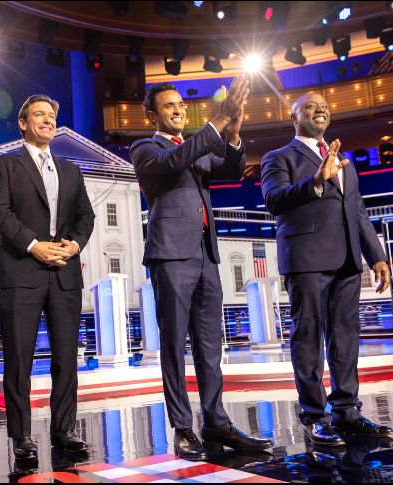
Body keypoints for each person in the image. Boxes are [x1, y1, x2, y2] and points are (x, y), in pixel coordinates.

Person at [129, 75, 273, 461]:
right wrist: (217, 123)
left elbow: (227, 169)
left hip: (206, 256)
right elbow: (175, 162)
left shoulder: (195, 146)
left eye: (180, 105)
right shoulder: (146, 148)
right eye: (168, 106)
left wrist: (235, 134)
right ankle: (181, 427)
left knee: (211, 346)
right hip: (171, 255)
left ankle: (216, 421)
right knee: (174, 346)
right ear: (151, 116)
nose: (177, 110)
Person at [260, 92, 393, 446]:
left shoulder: (344, 160)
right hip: (306, 261)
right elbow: (274, 201)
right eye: (311, 106)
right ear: (294, 117)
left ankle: (347, 412)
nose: (321, 109)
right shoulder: (278, 157)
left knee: (346, 338)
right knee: (308, 338)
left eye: (326, 106)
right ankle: (314, 416)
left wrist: (376, 255)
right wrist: (317, 180)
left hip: (348, 260)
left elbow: (358, 211)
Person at [0, 95, 95, 460]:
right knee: (19, 360)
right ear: (22, 122)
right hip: (22, 272)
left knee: (66, 358)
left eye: (52, 115)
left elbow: (86, 217)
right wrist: (34, 245)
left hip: (64, 274)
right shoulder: (5, 165)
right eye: (39, 115)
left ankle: (64, 431)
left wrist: (74, 246)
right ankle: (21, 437)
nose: (47, 120)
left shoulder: (71, 169)